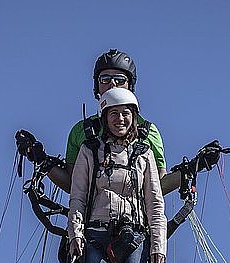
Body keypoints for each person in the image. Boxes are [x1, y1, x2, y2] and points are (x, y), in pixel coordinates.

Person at [67, 88, 166, 263]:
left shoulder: (144, 154)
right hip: (94, 236)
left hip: (134, 237)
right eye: (114, 114)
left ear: (133, 118)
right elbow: (78, 197)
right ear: (105, 117)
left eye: (125, 114)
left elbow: (155, 203)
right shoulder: (89, 151)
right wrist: (76, 234)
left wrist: (158, 246)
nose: (120, 119)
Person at [46, 49, 181, 195]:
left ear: (130, 85)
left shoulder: (148, 131)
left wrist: (189, 171)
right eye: (105, 79)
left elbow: (158, 187)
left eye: (120, 79)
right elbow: (73, 185)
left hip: (136, 215)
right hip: (91, 215)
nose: (112, 84)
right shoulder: (81, 131)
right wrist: (42, 160)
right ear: (97, 86)